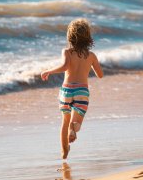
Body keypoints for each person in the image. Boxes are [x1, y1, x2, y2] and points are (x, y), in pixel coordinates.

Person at [41, 18, 103, 159]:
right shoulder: (91, 55)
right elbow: (100, 75)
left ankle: (64, 152)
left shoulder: (67, 52)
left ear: (70, 36)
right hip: (81, 90)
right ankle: (73, 129)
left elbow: (64, 67)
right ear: (88, 37)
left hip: (67, 90)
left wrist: (49, 71)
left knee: (64, 121)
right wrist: (90, 66)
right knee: (76, 122)